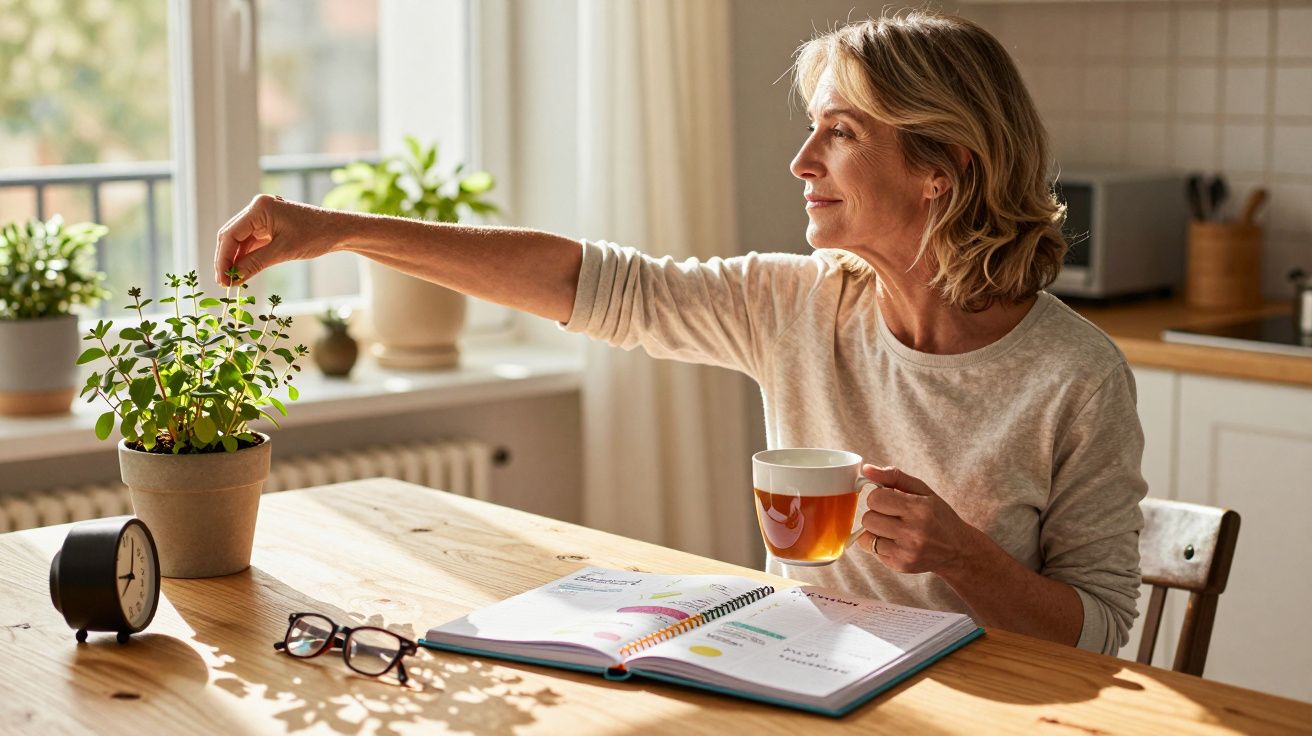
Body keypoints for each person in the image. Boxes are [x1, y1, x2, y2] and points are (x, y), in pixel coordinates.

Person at [216, 10, 1145, 655]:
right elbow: (593, 283)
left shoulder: (1074, 374)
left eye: (842, 134)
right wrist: (338, 228)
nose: (801, 161)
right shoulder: (799, 305)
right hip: (809, 676)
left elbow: (1101, 632)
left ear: (942, 166)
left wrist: (963, 558)